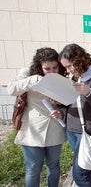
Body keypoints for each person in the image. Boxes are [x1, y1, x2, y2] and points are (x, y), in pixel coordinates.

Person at [7, 47, 67, 187]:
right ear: (39, 66)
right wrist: (32, 79)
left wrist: (61, 111)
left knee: (54, 166)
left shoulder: (61, 77)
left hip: (54, 128)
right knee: (33, 169)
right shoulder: (27, 73)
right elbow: (11, 89)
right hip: (32, 129)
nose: (52, 72)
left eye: (55, 68)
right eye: (47, 69)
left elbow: (67, 103)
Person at [59, 43, 91, 186]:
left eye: (69, 66)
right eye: (65, 67)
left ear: (79, 60)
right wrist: (61, 112)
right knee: (87, 170)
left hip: (87, 132)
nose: (68, 70)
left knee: (79, 175)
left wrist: (88, 92)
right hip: (72, 130)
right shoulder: (74, 78)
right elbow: (70, 103)